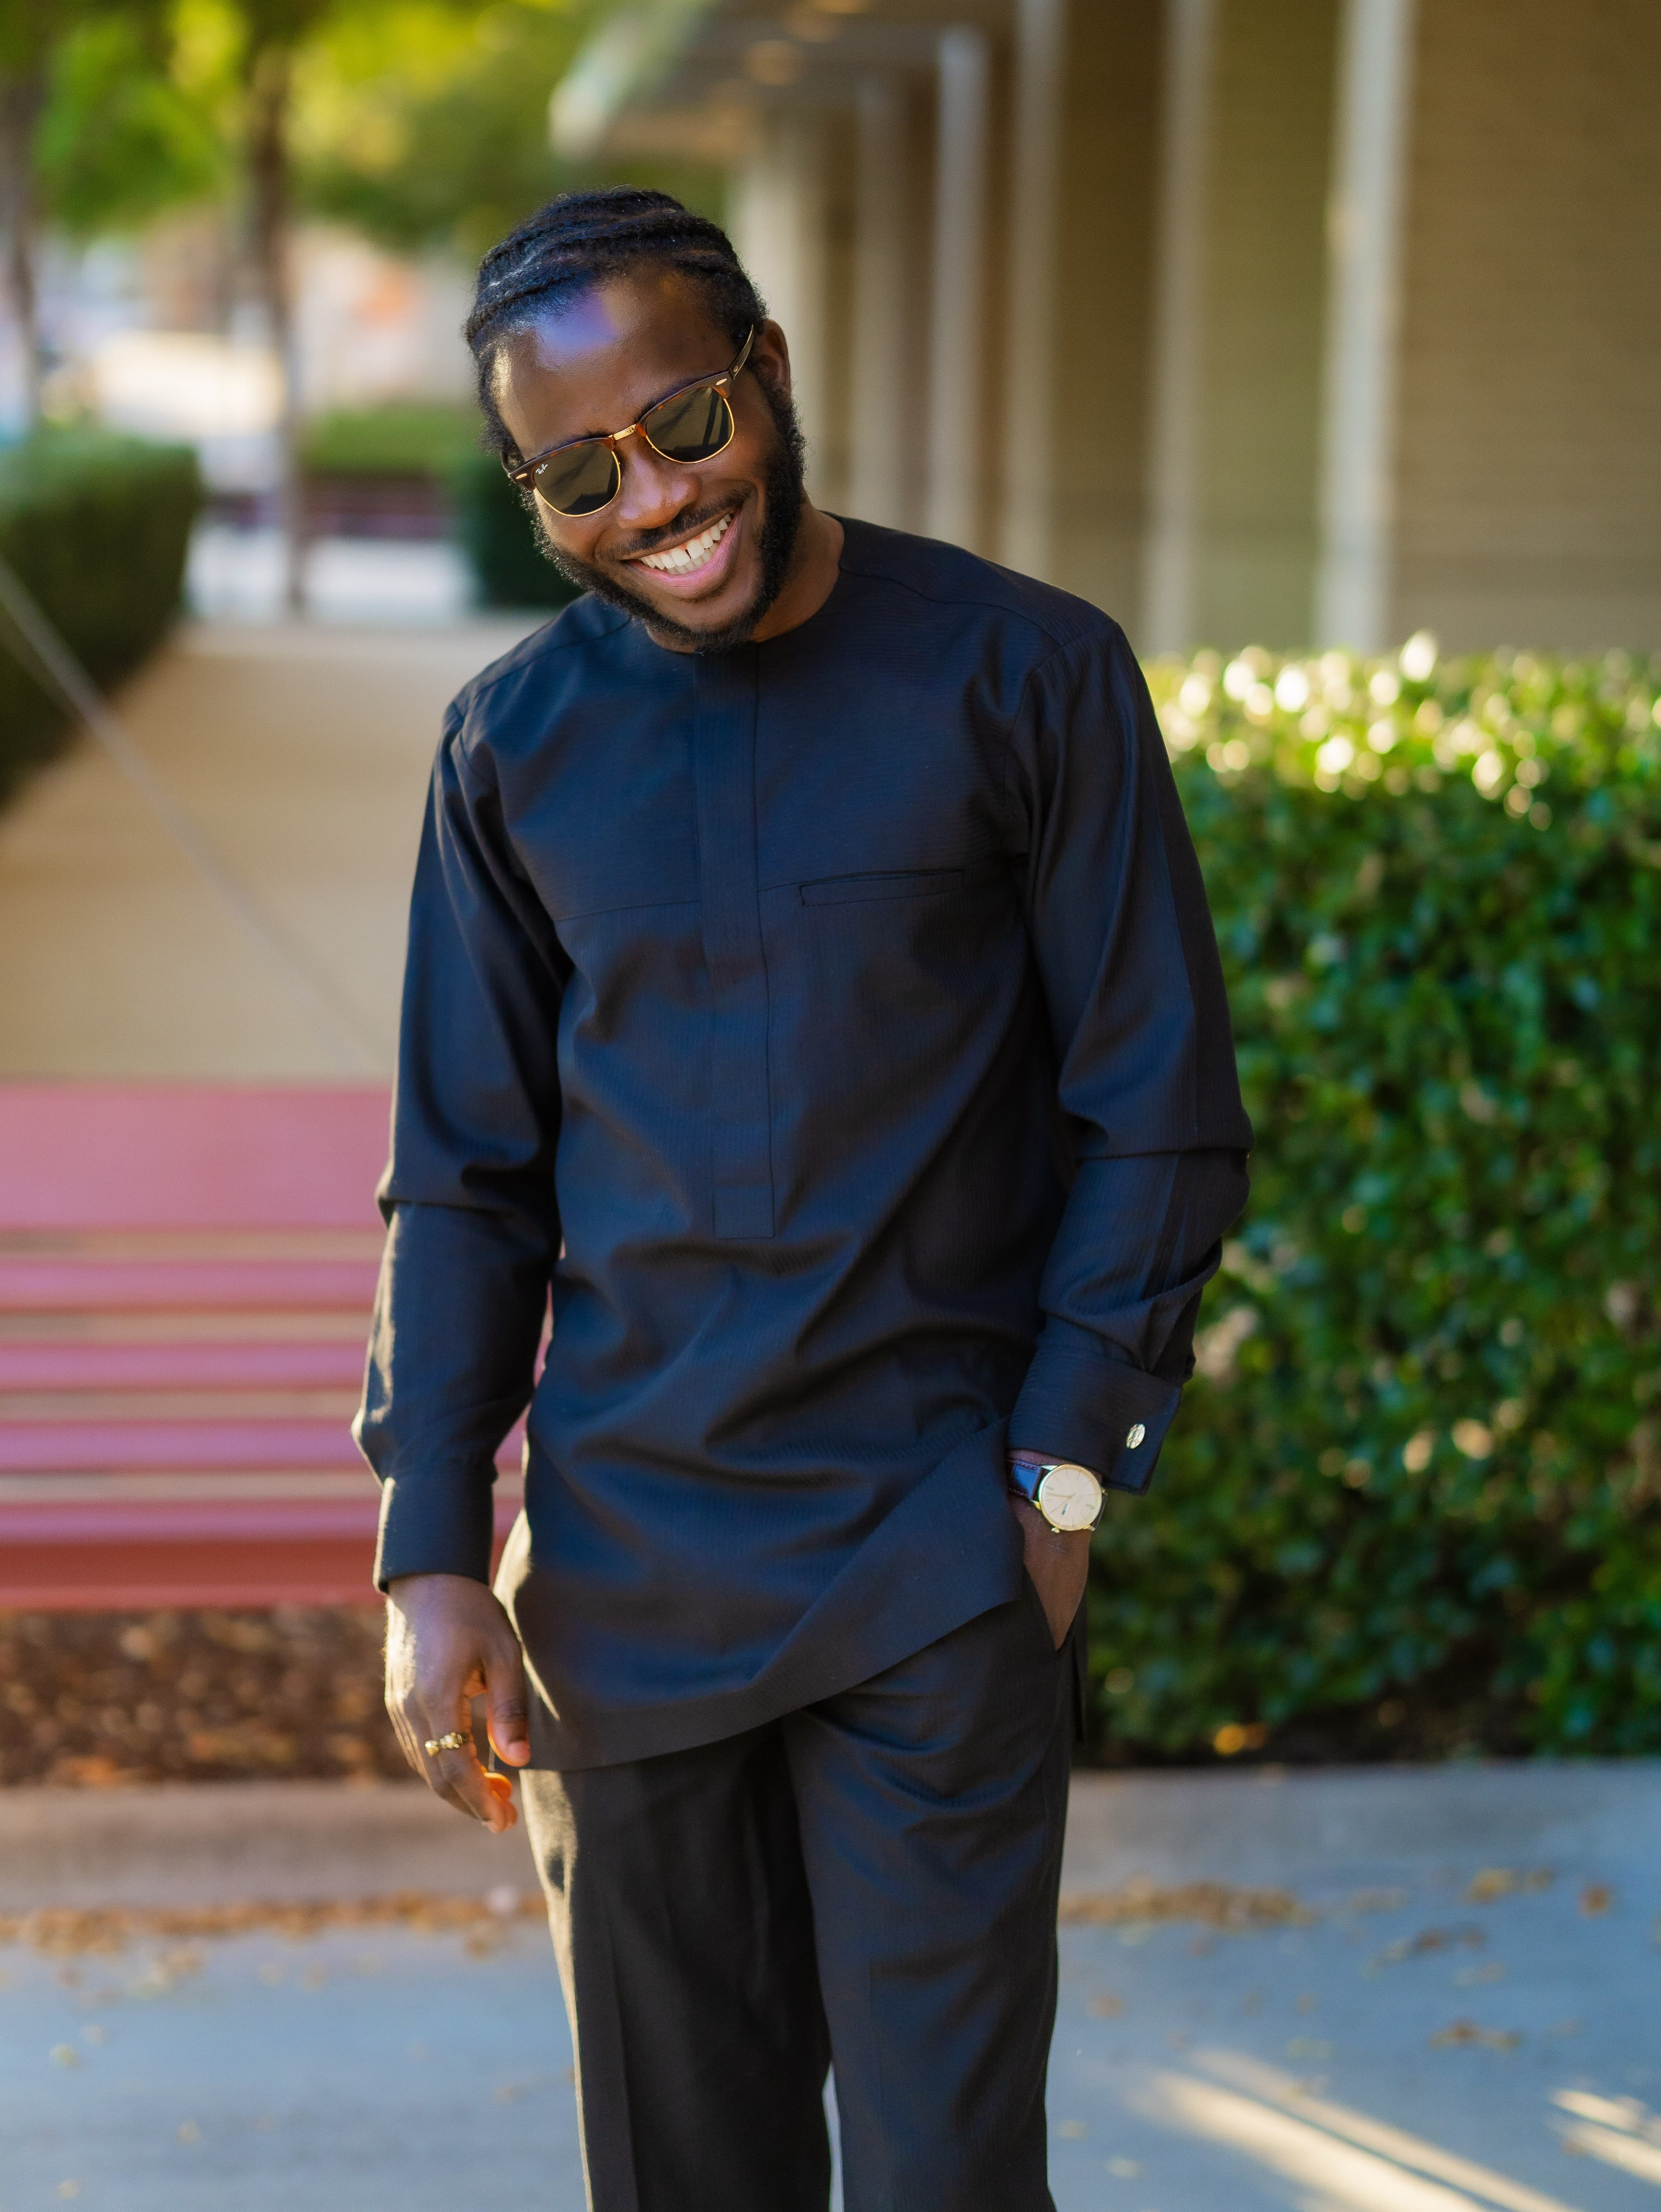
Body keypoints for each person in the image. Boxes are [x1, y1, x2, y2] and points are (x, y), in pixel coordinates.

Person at [356, 186, 1250, 2212]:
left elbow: (1160, 1109)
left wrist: (1063, 1473)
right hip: (621, 1587)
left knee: (947, 2179)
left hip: (932, 1560)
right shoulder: (509, 750)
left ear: (764, 370)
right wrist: (431, 1549)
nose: (654, 498)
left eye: (682, 424)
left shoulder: (1028, 674)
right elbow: (465, 1182)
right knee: (686, 2178)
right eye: (579, 475)